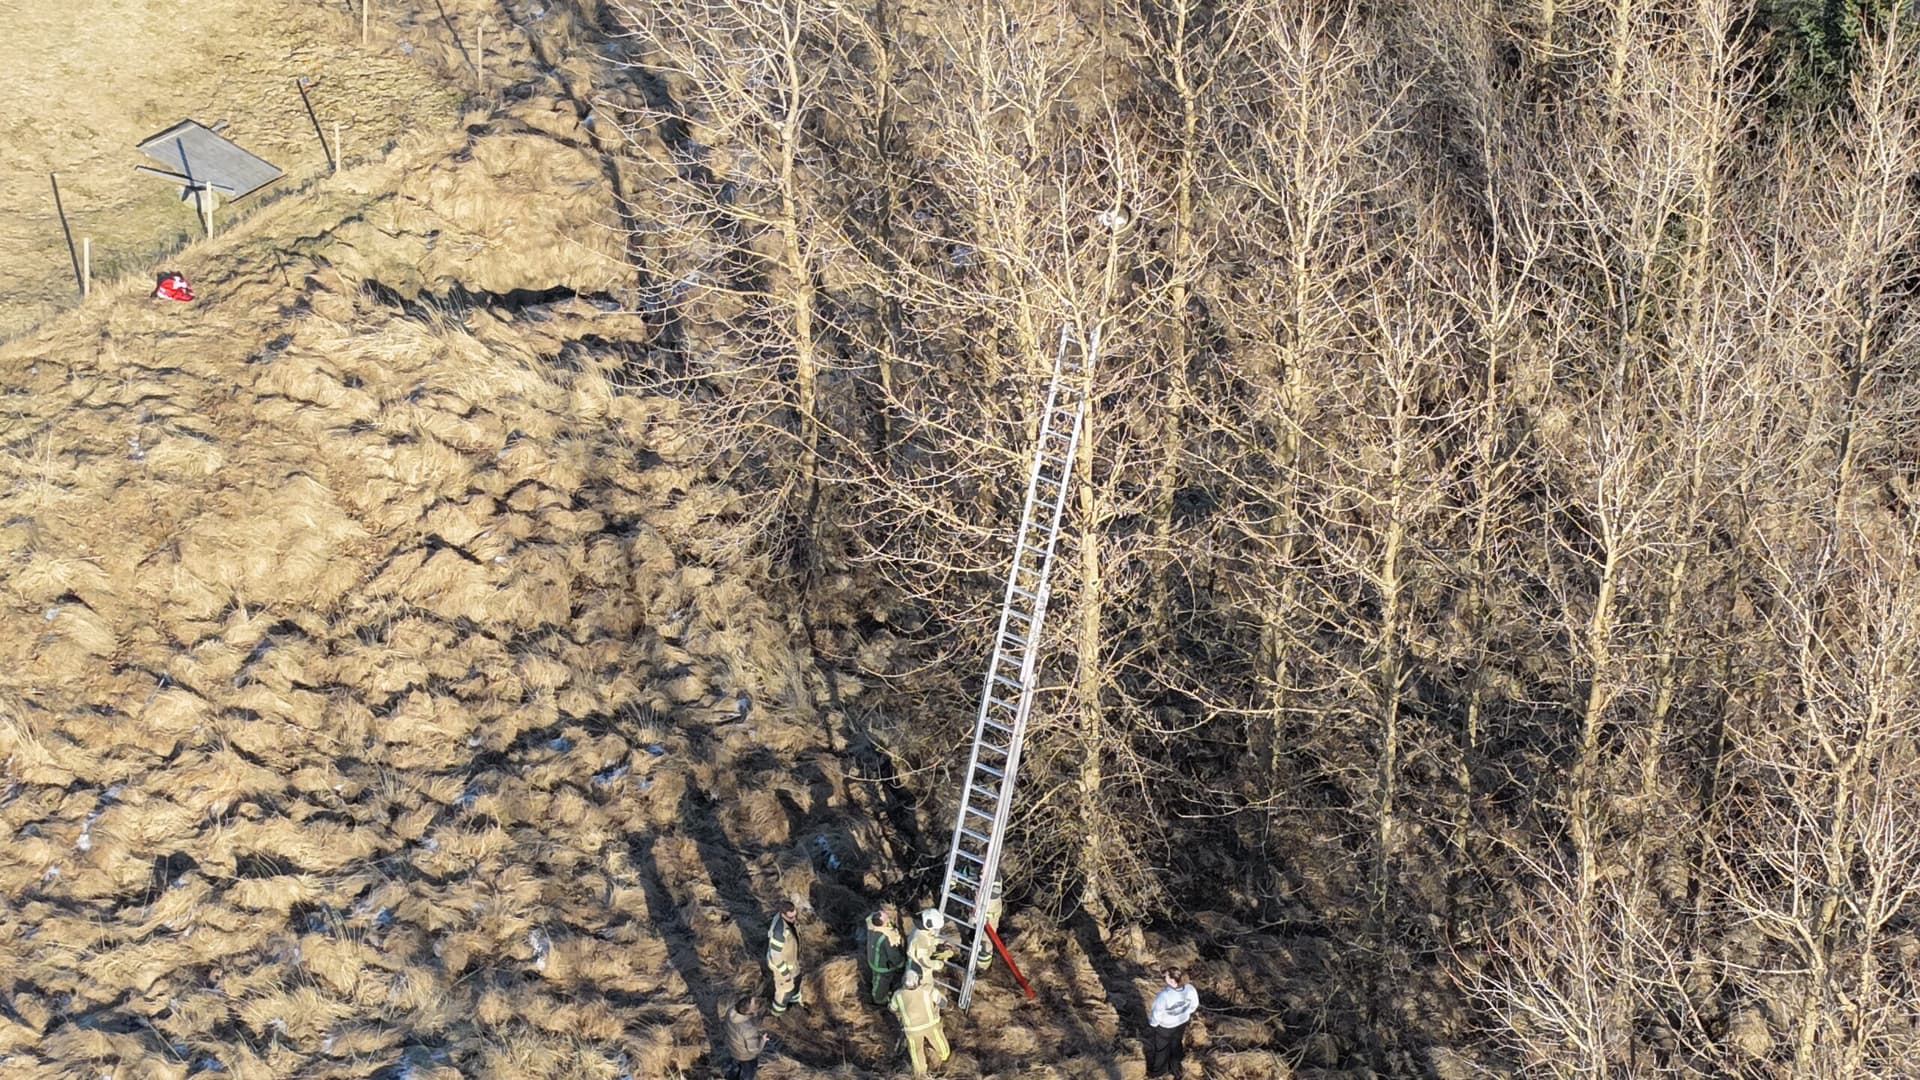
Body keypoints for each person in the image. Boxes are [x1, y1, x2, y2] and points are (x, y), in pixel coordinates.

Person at [889, 969, 952, 1076]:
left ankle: (920, 1073)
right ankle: (944, 1059)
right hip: (930, 1025)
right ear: (917, 981)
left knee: (916, 1051)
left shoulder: (898, 995)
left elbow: (892, 1008)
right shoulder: (927, 990)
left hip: (912, 1030)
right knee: (939, 1042)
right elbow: (943, 1003)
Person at [1145, 966, 1199, 1077]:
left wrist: (1153, 1025)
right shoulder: (1189, 988)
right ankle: (1176, 1068)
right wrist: (1185, 1013)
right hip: (1182, 1022)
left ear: (1171, 980)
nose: (1164, 977)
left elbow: (1157, 1014)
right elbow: (1194, 1005)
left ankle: (1158, 1072)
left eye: (1166, 976)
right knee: (1176, 1043)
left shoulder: (1163, 996)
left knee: (1162, 1048)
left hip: (1165, 1026)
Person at [765, 900, 804, 1014]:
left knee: (796, 984)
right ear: (782, 914)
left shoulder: (788, 921)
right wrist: (785, 974)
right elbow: (776, 956)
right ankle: (777, 1013)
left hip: (792, 964)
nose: (794, 919)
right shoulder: (779, 932)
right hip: (783, 969)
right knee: (784, 992)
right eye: (791, 918)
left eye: (795, 916)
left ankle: (795, 1004)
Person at [865, 903, 906, 1005]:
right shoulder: (886, 937)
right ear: (882, 923)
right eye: (886, 918)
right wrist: (900, 963)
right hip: (882, 966)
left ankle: (874, 985)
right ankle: (879, 999)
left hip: (872, 959)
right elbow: (893, 955)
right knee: (882, 983)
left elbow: (872, 916)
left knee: (876, 978)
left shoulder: (871, 924)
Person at [906, 908, 955, 981]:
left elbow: (929, 940)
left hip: (917, 968)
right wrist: (939, 964)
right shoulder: (921, 939)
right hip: (919, 973)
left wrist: (941, 942)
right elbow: (924, 961)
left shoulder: (921, 931)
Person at [724, 995, 764, 1080]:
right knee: (747, 1074)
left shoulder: (731, 1012)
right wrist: (763, 1040)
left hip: (733, 1049)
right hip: (746, 1057)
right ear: (748, 1012)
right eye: (754, 1008)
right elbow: (754, 1050)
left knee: (735, 1067)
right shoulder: (749, 1029)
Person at [973, 878, 1005, 972]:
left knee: (985, 942)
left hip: (988, 918)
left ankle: (981, 968)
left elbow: (993, 896)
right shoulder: (986, 875)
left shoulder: (993, 883)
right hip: (984, 913)